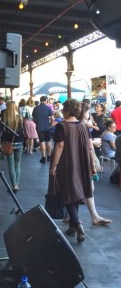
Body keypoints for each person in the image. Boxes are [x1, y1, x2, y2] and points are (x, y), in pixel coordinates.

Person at [50, 99, 95, 243]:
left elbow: (60, 146)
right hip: (82, 164)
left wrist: (54, 165)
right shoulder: (83, 126)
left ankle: (77, 224)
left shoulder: (62, 126)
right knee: (75, 193)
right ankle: (71, 227)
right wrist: (92, 165)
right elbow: (89, 147)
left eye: (64, 108)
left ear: (68, 110)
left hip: (66, 163)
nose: (62, 110)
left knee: (68, 193)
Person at [1, 100, 24, 192]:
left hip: (7, 142)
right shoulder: (19, 117)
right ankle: (16, 184)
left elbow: (3, 132)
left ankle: (14, 185)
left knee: (11, 165)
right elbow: (21, 131)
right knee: (17, 164)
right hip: (19, 142)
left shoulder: (4, 117)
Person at [32, 95, 54, 163]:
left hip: (39, 127)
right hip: (47, 127)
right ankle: (49, 156)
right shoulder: (48, 108)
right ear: (46, 100)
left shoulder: (36, 108)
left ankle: (43, 157)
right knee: (48, 141)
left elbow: (33, 119)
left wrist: (37, 123)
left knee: (42, 142)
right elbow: (52, 118)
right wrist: (51, 124)